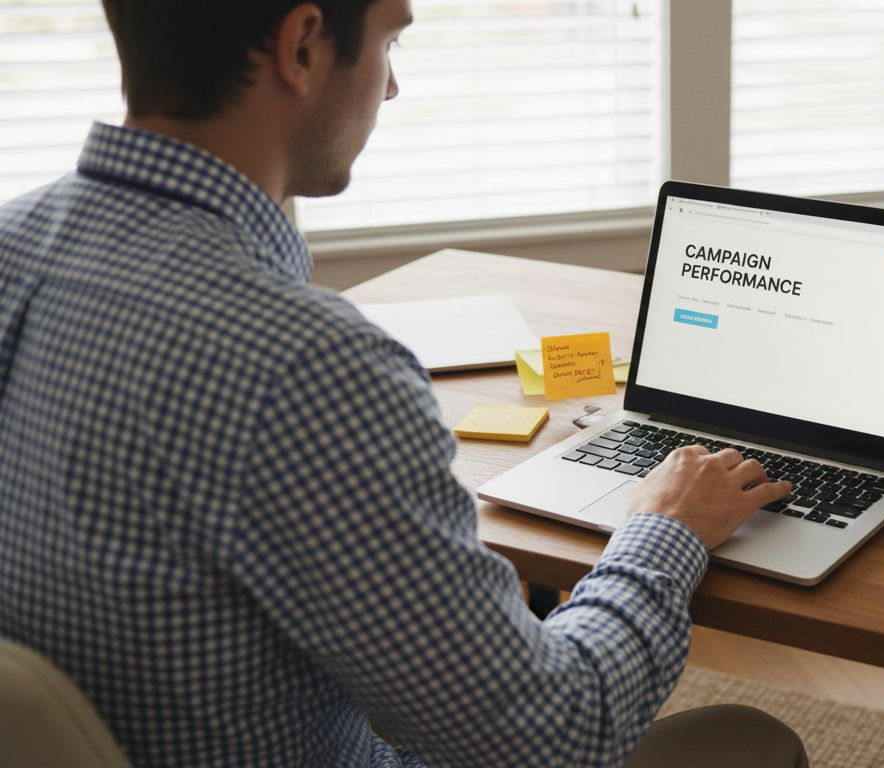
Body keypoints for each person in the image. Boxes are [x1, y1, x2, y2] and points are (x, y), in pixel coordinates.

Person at [0, 1, 809, 766]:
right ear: (304, 47)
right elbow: (555, 736)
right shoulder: (309, 364)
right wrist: (663, 528)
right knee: (747, 739)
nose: (390, 83)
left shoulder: (13, 245)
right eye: (391, 39)